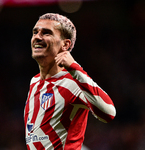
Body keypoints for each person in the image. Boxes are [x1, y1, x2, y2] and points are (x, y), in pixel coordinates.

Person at [24, 13, 116, 150]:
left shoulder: (72, 82)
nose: (37, 37)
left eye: (46, 33)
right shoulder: (35, 81)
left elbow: (109, 113)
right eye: (35, 32)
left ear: (65, 44)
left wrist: (74, 67)